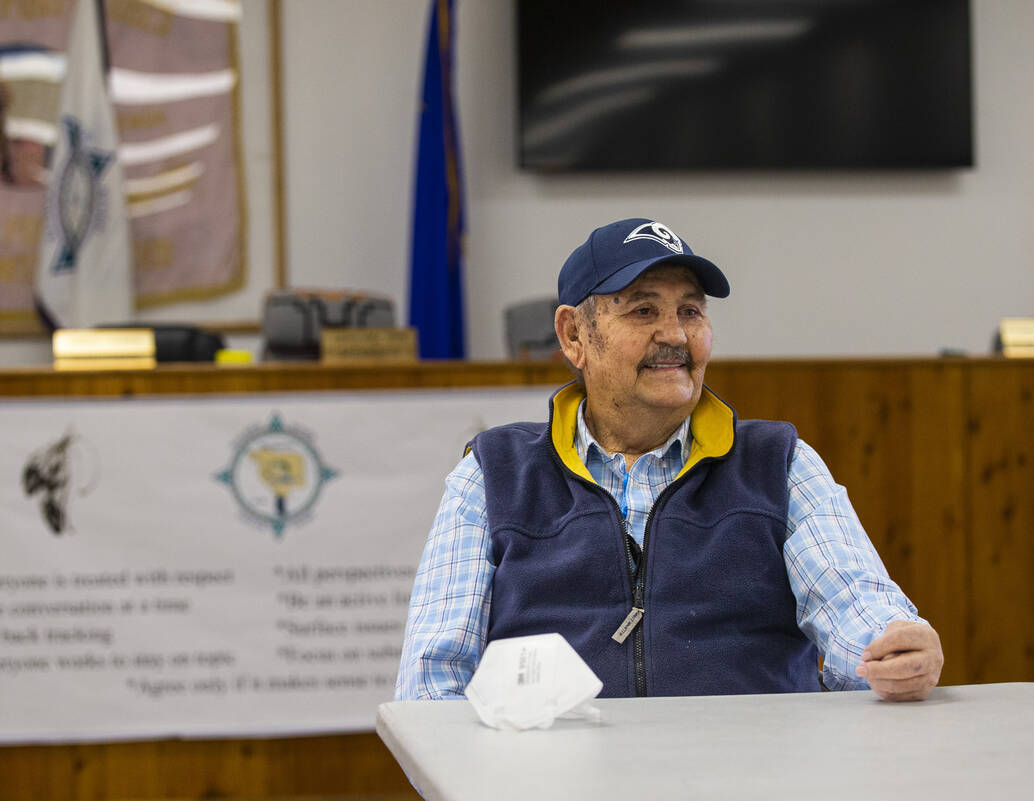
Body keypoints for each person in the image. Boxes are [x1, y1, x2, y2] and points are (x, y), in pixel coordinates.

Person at [396, 217, 943, 702]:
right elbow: (432, 683)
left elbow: (859, 613)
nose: (675, 335)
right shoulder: (494, 474)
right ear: (573, 336)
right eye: (643, 310)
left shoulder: (778, 463)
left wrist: (897, 652)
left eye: (690, 311)